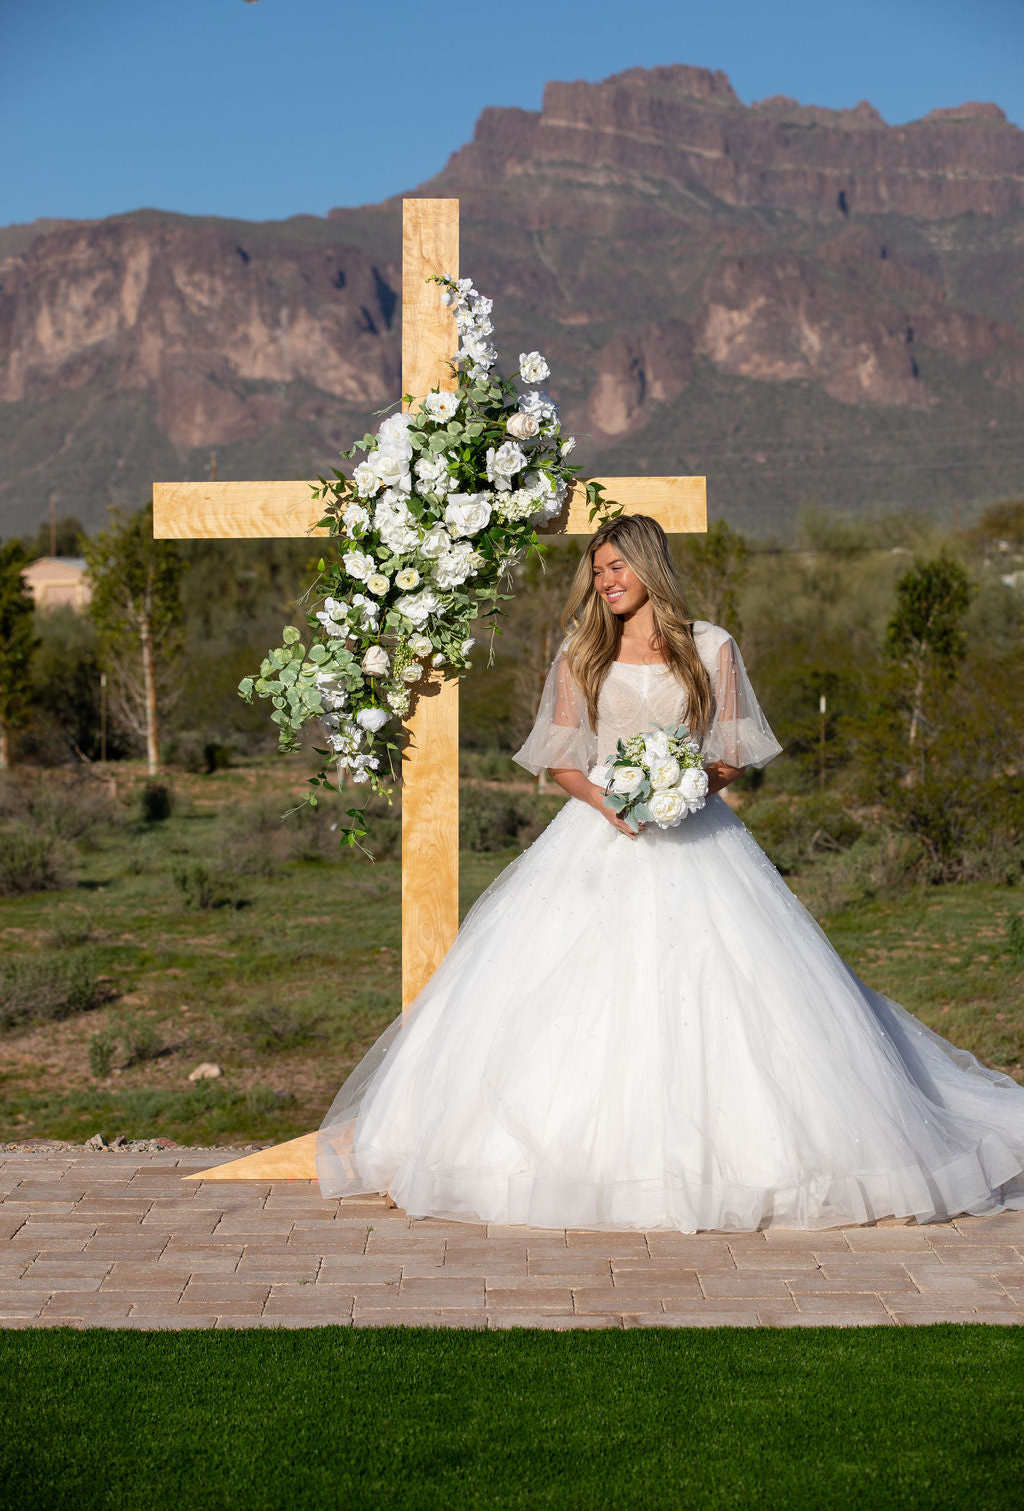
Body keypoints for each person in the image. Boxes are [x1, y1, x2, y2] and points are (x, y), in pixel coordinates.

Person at [316, 515, 1024, 1232]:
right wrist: (610, 802)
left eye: (617, 566)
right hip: (596, 837)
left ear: (651, 566)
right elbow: (560, 756)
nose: (606, 581)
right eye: (597, 571)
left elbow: (733, 750)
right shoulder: (583, 649)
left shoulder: (711, 646)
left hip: (698, 838)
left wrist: (682, 793)